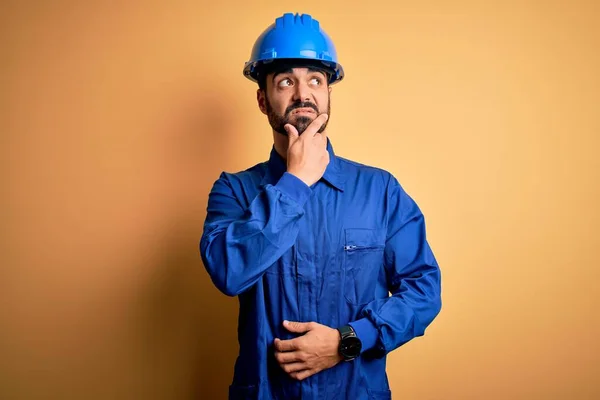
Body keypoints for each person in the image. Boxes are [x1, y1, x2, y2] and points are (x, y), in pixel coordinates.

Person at [200, 12, 442, 400]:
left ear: (329, 93)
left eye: (315, 80)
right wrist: (294, 182)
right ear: (263, 100)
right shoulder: (234, 191)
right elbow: (228, 273)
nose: (302, 93)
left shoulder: (380, 191)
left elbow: (424, 290)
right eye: (285, 82)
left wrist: (348, 340)